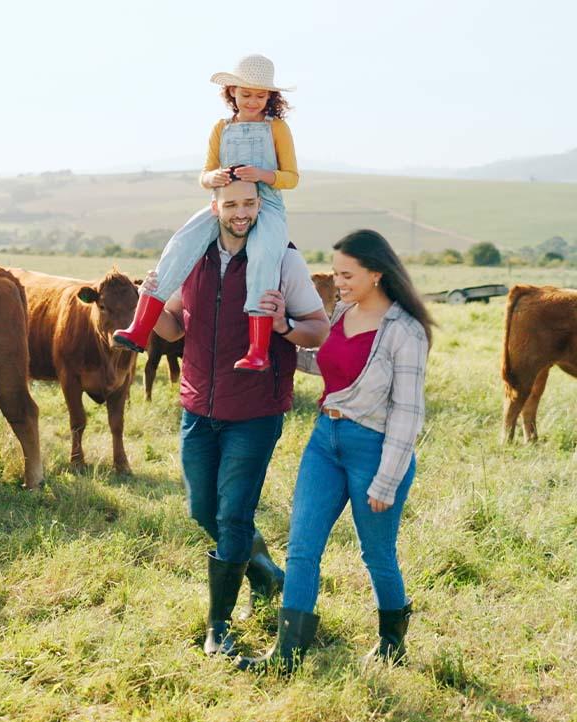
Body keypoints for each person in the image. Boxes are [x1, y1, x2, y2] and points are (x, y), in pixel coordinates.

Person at [238, 229, 434, 674]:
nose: (337, 282)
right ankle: (286, 655)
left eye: (347, 274)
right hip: (325, 442)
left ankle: (391, 641)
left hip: (376, 449)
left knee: (376, 554)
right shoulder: (343, 311)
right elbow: (325, 363)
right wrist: (284, 329)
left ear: (377, 274)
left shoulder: (407, 331)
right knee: (302, 548)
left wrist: (387, 478)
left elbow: (407, 412)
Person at [151, 177, 329, 657]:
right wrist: (144, 303)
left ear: (261, 206)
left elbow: (319, 330)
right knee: (201, 509)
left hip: (253, 411)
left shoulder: (283, 259)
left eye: (250, 203)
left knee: (233, 516)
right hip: (197, 407)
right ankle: (265, 572)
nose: (241, 213)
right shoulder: (192, 256)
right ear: (215, 206)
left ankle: (219, 626)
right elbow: (171, 327)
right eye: (232, 204)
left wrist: (283, 325)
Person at [116, 54, 300, 372]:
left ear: (270, 96)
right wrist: (212, 178)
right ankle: (140, 329)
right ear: (232, 92)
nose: (253, 101)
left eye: (260, 95)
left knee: (264, 254)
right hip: (223, 203)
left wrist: (262, 174)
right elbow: (205, 175)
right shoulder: (220, 128)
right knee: (180, 244)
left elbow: (291, 178)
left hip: (266, 203)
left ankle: (258, 349)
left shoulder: (277, 128)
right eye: (246, 94)